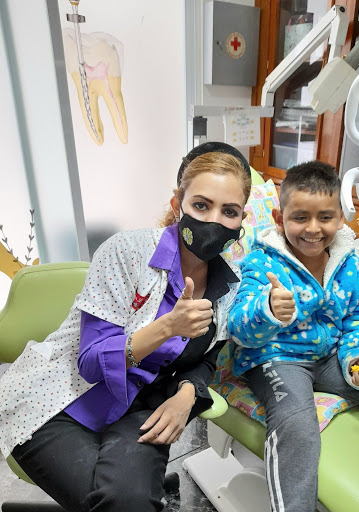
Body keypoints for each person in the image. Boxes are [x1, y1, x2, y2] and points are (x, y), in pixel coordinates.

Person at [0, 142, 251, 512]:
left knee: (128, 501)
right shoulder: (126, 253)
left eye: (229, 211)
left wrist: (185, 396)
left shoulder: (231, 284)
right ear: (177, 204)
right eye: (201, 205)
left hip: (141, 409)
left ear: (241, 219)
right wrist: (168, 327)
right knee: (124, 503)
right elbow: (90, 363)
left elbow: (208, 358)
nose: (214, 221)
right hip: (58, 400)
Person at [228, 160, 359, 512]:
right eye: (300, 217)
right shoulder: (261, 263)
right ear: (279, 218)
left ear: (341, 218)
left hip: (330, 356)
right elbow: (238, 328)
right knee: (296, 423)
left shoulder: (350, 264)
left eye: (325, 217)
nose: (313, 228)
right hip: (275, 358)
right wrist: (266, 309)